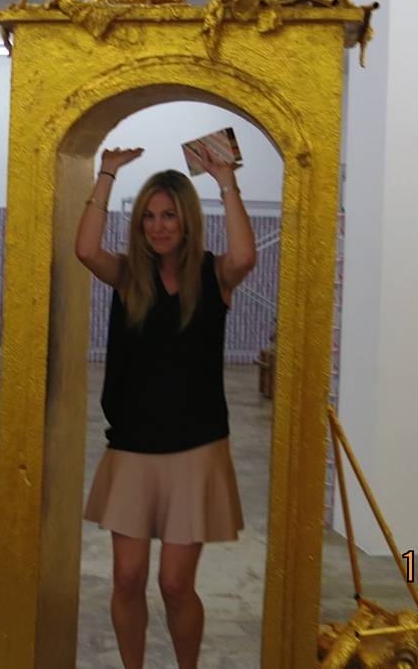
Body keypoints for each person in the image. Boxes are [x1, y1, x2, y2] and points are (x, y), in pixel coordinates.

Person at [75, 144, 257, 669]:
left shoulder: (213, 275)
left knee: (176, 584)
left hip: (196, 450)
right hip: (132, 447)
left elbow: (245, 256)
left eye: (169, 215)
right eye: (149, 217)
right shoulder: (129, 275)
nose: (158, 227)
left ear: (186, 220)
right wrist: (107, 173)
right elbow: (85, 249)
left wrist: (225, 180)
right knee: (127, 578)